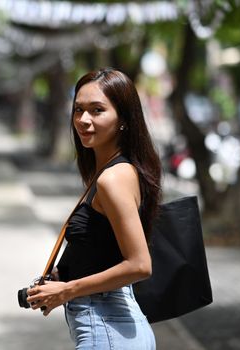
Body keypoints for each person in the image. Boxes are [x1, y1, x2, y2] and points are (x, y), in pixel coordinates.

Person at [26, 68, 161, 349]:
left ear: (123, 119)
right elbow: (105, 247)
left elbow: (139, 264)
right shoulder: (109, 173)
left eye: (97, 110)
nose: (83, 120)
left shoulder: (113, 178)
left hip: (107, 327)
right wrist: (65, 274)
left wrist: (66, 290)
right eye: (78, 110)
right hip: (112, 325)